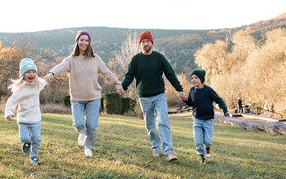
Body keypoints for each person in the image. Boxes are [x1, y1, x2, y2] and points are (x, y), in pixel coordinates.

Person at [44, 30, 124, 157]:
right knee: (78, 124)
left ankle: (89, 147)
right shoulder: (71, 60)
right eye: (82, 40)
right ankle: (82, 132)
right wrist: (51, 73)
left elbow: (107, 72)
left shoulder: (95, 58)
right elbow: (60, 66)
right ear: (77, 41)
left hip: (94, 97)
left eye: (87, 40)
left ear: (89, 43)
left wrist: (118, 84)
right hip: (77, 99)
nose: (84, 42)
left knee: (92, 126)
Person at [121, 30, 187, 162]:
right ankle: (156, 146)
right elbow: (129, 75)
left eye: (148, 41)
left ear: (152, 42)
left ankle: (169, 152)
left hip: (159, 96)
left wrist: (179, 89)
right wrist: (123, 86)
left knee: (163, 121)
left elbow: (170, 74)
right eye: (143, 42)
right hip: (144, 98)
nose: (146, 44)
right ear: (140, 44)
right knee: (149, 124)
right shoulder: (136, 60)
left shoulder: (159, 58)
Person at [5, 58, 48, 165]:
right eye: (28, 72)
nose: (31, 74)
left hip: (35, 119)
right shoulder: (20, 90)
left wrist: (49, 77)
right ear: (23, 75)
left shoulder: (38, 85)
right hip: (23, 120)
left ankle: (34, 156)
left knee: (37, 139)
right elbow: (11, 101)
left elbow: (45, 81)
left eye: (33, 72)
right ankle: (27, 142)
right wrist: (9, 112)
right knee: (25, 137)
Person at [183, 69, 228, 165]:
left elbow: (218, 99)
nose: (193, 80)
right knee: (198, 141)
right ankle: (202, 157)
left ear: (201, 79)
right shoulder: (192, 90)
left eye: (196, 78)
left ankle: (208, 148)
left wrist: (224, 109)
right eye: (192, 78)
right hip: (197, 119)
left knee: (207, 140)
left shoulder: (208, 90)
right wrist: (185, 100)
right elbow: (191, 103)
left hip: (208, 119)